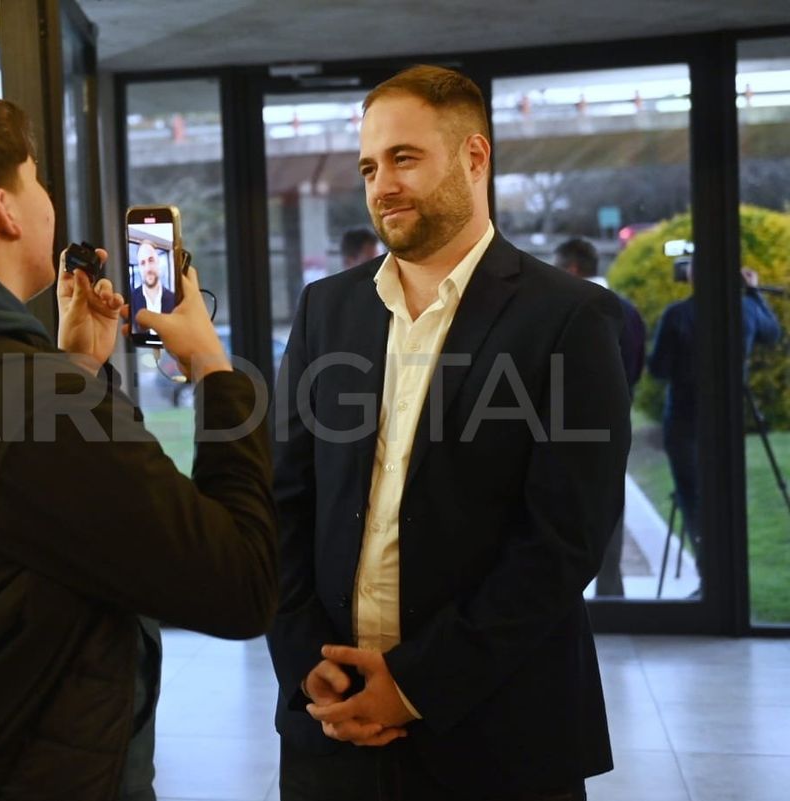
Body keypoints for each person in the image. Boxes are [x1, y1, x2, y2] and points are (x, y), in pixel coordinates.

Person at [0, 86, 277, 800]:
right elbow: (244, 584)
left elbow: (4, 533)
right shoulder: (34, 404)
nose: (44, 199)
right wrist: (213, 371)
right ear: (5, 209)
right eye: (34, 175)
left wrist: (74, 370)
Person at [267, 65, 631, 801]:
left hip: (495, 733)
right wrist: (307, 658)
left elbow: (563, 540)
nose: (381, 184)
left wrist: (412, 684)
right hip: (328, 728)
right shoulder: (326, 310)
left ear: (474, 157)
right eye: (370, 165)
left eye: (404, 158)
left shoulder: (567, 318)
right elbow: (285, 501)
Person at [648, 263, 782, 585]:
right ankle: (727, 578)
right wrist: (753, 291)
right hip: (728, 415)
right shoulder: (746, 309)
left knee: (692, 495)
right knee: (725, 491)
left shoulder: (677, 315)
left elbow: (658, 369)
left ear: (693, 278)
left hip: (683, 416)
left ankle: (709, 576)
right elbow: (773, 333)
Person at [555, 237, 646, 597]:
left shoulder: (563, 310)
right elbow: (636, 366)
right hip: (613, 428)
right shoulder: (629, 311)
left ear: (572, 269)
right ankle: (611, 592)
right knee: (610, 511)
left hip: (565, 428)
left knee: (562, 516)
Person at [130, 239, 177, 321]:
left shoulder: (175, 300)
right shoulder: (130, 300)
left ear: (158, 262)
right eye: (143, 263)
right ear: (139, 268)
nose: (148, 268)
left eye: (151, 260)